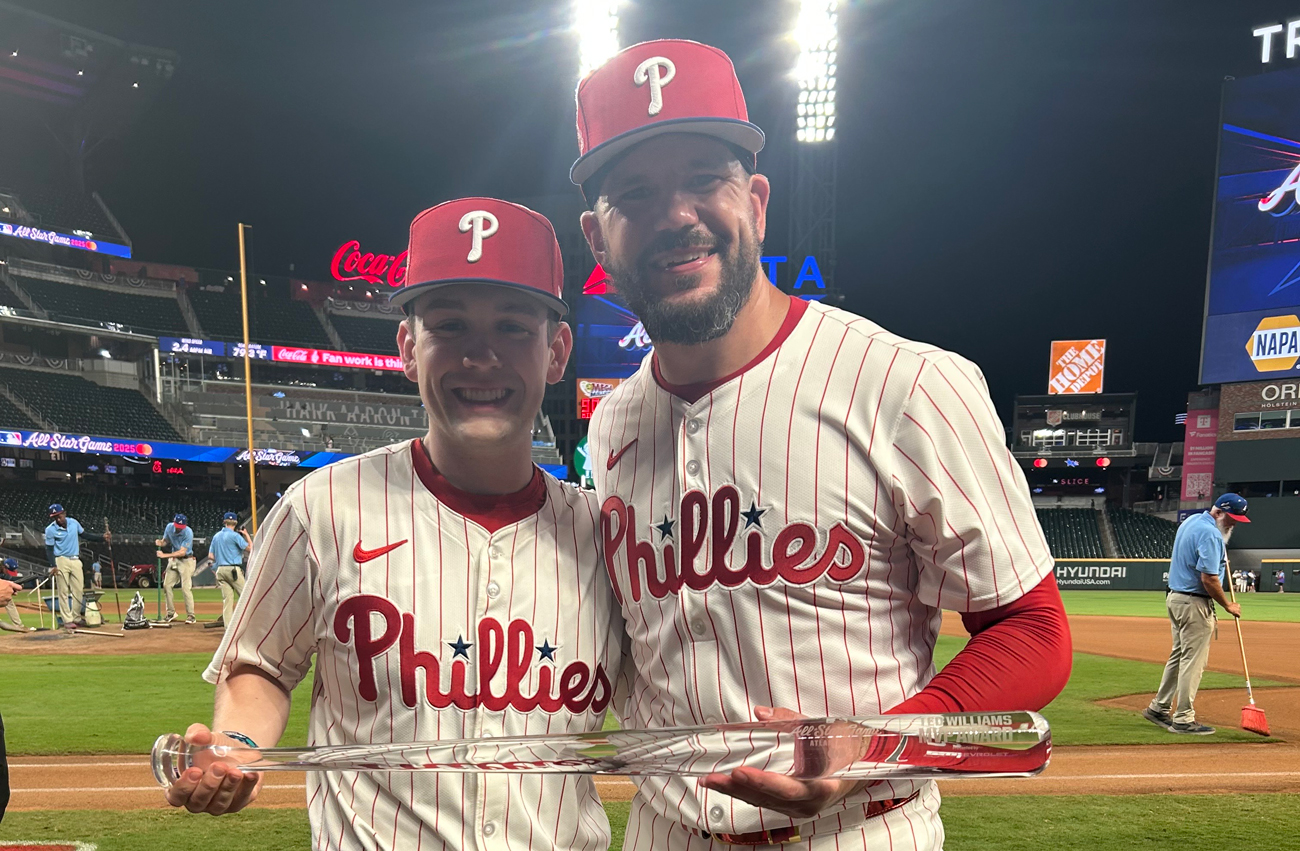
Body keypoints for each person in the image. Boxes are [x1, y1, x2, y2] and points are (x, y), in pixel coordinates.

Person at [573, 40, 1072, 849]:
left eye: (704, 178)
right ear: (599, 240)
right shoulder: (613, 424)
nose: (675, 215)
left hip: (856, 829)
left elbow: (1033, 628)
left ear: (756, 202)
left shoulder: (905, 383)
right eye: (636, 193)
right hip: (662, 831)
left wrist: (881, 742)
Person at [165, 198, 627, 850]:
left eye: (513, 327)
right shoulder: (320, 508)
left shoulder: (604, 536)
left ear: (557, 352)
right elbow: (260, 665)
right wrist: (238, 742)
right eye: (450, 325)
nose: (481, 354)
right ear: (409, 348)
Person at [1143, 494, 1248, 735]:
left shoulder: (1192, 521)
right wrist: (1227, 605)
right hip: (1194, 603)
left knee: (1179, 655)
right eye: (1232, 518)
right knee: (1193, 661)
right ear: (1219, 512)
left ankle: (1159, 707)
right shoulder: (1211, 534)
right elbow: (1209, 578)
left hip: (1176, 599)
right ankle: (1183, 718)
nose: (1234, 523)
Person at [44, 504, 108, 627]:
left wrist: (102, 538)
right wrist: (53, 565)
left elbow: (85, 535)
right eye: (55, 517)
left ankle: (76, 617)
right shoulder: (50, 530)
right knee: (63, 591)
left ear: (64, 513)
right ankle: (67, 620)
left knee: (78, 590)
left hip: (75, 559)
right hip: (61, 560)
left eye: (59, 516)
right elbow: (49, 549)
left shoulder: (73, 522)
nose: (58, 519)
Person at [208, 512, 251, 627]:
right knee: (247, 597)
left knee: (227, 601)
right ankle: (249, 626)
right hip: (233, 570)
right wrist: (246, 535)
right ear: (235, 523)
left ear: (224, 522)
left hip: (220, 570)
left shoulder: (216, 536)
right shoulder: (235, 536)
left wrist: (222, 558)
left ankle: (228, 629)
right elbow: (251, 548)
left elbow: (210, 556)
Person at [156, 513, 197, 624]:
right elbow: (165, 541)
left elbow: (182, 552)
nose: (179, 528)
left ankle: (191, 615)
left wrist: (164, 555)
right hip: (174, 560)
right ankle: (171, 613)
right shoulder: (169, 527)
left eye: (181, 527)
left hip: (186, 560)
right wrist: (160, 543)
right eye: (178, 526)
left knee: (185, 588)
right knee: (166, 585)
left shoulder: (188, 532)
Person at [1, 558, 33, 633]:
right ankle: (19, 626)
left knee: (9, 601)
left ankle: (19, 626)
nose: (8, 573)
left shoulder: (3, 572)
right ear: (4, 567)